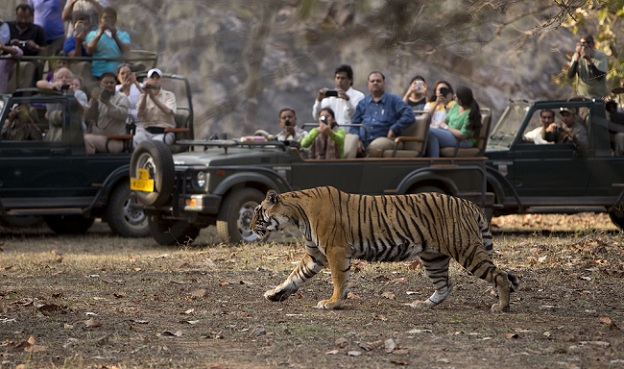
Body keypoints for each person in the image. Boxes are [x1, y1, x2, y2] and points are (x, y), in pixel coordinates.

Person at [350, 71, 415, 157]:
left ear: (384, 83)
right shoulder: (363, 103)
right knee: (348, 144)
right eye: (372, 81)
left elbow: (410, 116)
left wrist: (394, 128)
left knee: (375, 147)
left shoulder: (394, 100)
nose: (375, 83)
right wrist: (357, 140)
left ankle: (367, 170)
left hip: (388, 140)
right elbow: (354, 125)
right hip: (365, 141)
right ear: (368, 84)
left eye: (378, 81)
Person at [425, 85, 481, 158]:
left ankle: (433, 160)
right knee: (429, 133)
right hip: (451, 134)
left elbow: (462, 135)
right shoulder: (456, 106)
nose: (454, 97)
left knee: (431, 132)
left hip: (463, 141)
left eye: (456, 96)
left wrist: (447, 127)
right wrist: (445, 126)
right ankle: (433, 160)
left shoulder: (470, 113)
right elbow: (443, 121)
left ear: (461, 100)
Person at [83, 72, 130, 154]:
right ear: (100, 84)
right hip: (97, 137)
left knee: (86, 139)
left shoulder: (122, 97)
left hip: (114, 141)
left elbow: (123, 115)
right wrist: (93, 101)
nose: (109, 85)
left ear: (116, 84)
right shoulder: (96, 97)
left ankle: (89, 164)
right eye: (106, 82)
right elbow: (88, 116)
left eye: (111, 82)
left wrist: (108, 103)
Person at [134, 68, 177, 146]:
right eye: (152, 78)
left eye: (157, 78)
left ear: (161, 81)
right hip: (146, 131)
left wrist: (152, 97)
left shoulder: (169, 95)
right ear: (148, 80)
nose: (155, 79)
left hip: (164, 132)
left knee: (155, 145)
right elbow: (139, 114)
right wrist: (145, 95)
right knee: (137, 140)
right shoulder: (142, 96)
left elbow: (168, 111)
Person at [85, 6, 130, 79]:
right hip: (98, 74)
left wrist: (115, 36)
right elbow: (89, 50)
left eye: (111, 17)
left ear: (115, 19)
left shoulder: (123, 35)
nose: (108, 20)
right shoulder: (93, 34)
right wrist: (100, 34)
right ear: (101, 19)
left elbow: (126, 51)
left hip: (118, 75)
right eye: (105, 18)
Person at [8, 4, 47, 86]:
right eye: (20, 17)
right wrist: (9, 44)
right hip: (9, 62)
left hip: (30, 62)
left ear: (32, 17)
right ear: (16, 15)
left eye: (26, 18)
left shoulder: (37, 30)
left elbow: (45, 51)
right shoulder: (7, 27)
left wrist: (36, 46)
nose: (23, 21)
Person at [35, 66, 74, 141]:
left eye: (67, 77)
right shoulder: (51, 91)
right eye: (60, 77)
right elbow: (39, 83)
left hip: (72, 133)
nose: (64, 79)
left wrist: (72, 92)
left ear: (72, 80)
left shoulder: (77, 91)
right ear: (55, 79)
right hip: (54, 132)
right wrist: (52, 86)